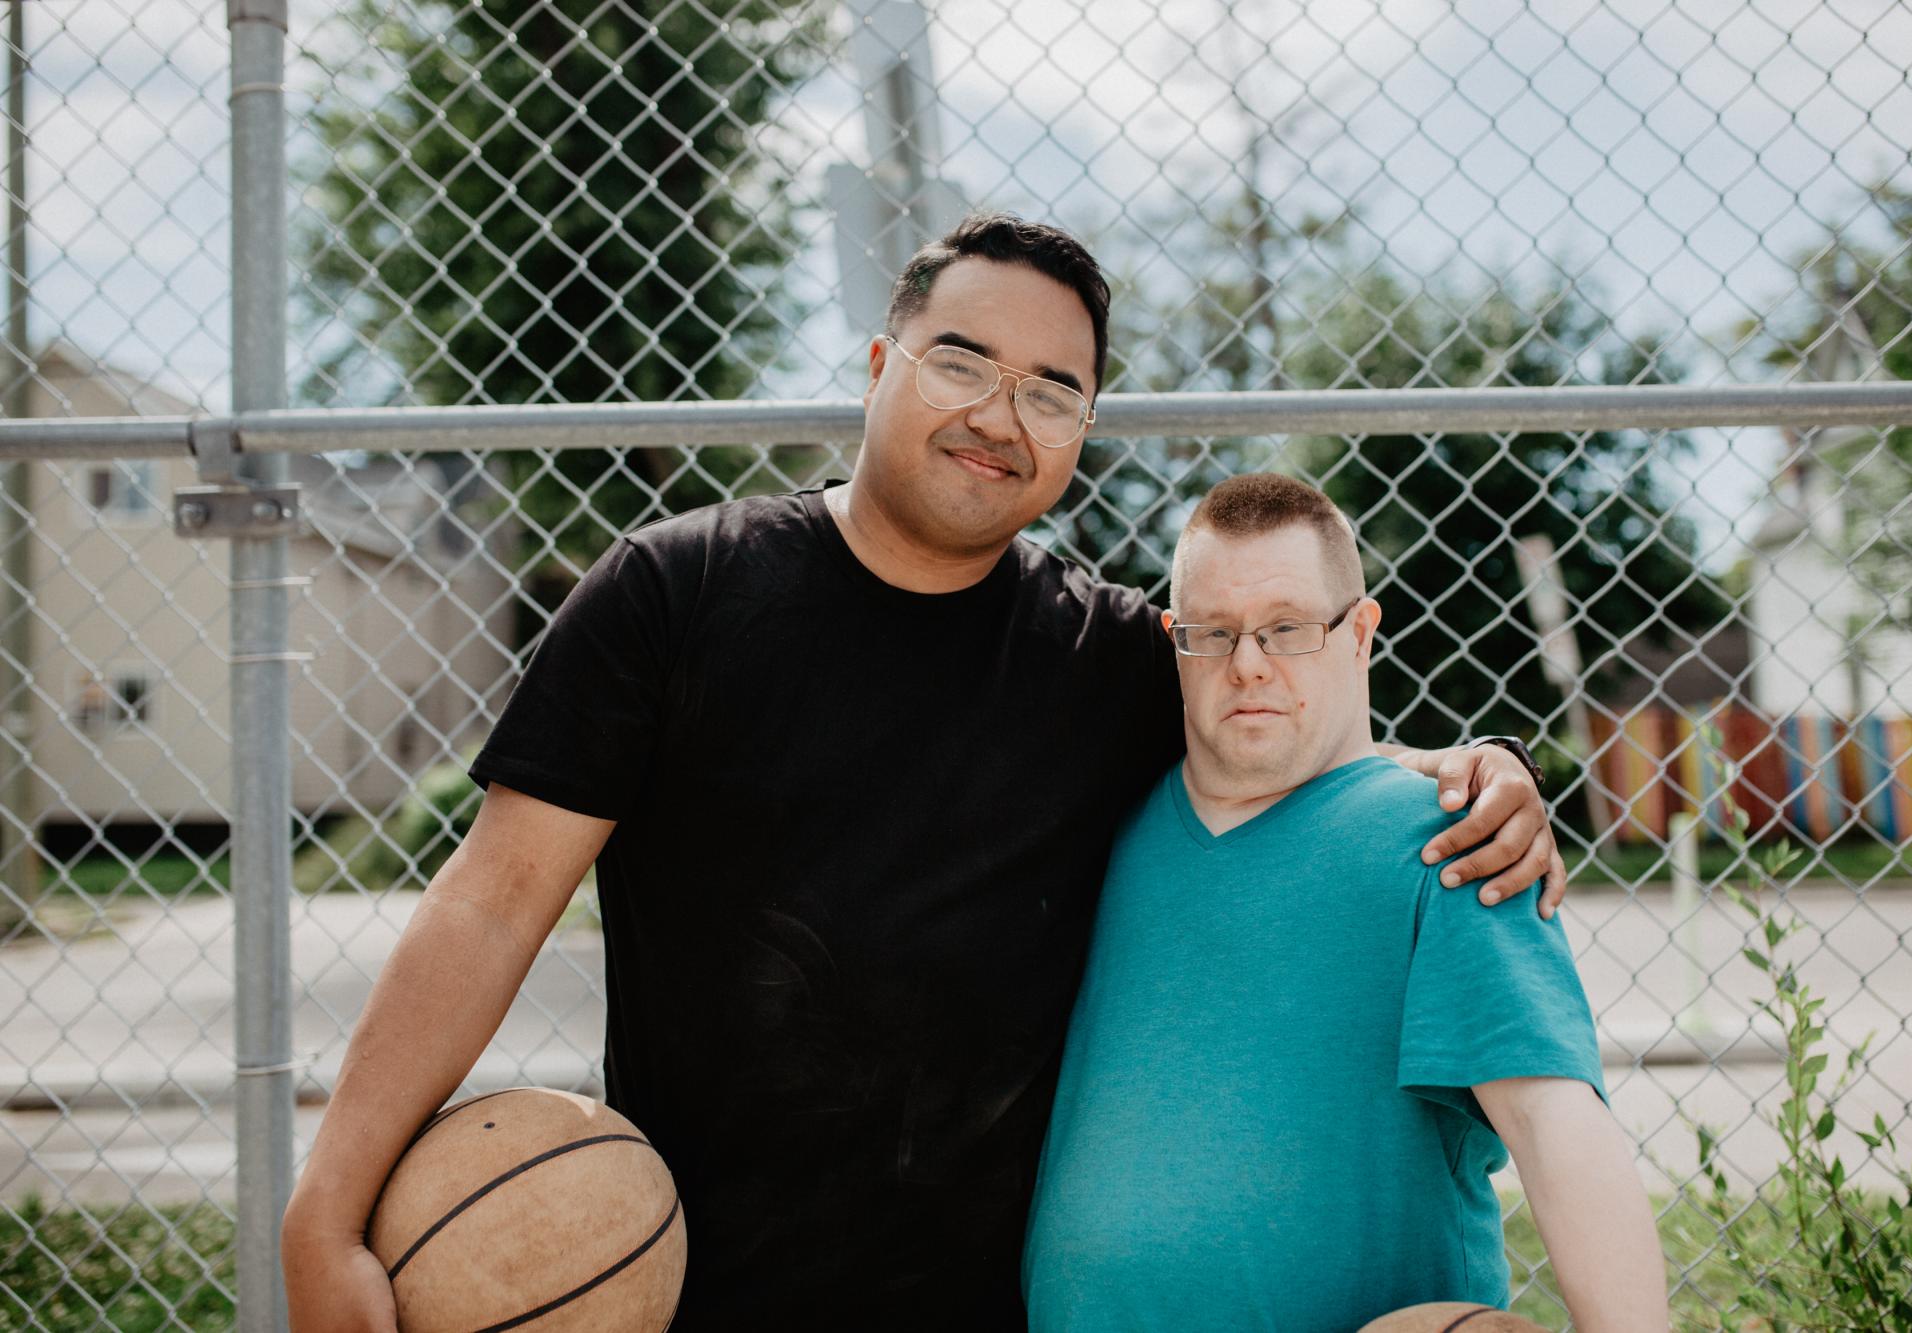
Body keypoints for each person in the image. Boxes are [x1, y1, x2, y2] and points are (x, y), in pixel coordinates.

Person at [281, 214, 1566, 1330]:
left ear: (1080, 431)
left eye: (1052, 390)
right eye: (963, 360)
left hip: (996, 1309)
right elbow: (492, 897)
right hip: (691, 1293)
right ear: (883, 364)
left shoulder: (1106, 656)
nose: (1000, 416)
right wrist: (326, 1211)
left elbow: (1279, 723)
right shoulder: (674, 592)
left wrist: (1474, 767)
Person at [1020, 473, 1667, 1332]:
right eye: (1213, 633)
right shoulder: (1116, 824)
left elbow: (1557, 1127)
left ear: (1359, 634)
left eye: (1287, 628)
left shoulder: (1443, 839)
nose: (1247, 662)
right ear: (1176, 640)